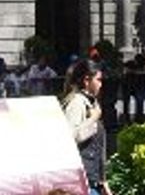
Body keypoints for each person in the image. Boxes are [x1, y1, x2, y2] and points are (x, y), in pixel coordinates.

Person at [60, 59, 112, 195]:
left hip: (91, 181)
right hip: (81, 183)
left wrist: (103, 181)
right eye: (99, 80)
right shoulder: (76, 102)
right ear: (86, 80)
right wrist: (93, 118)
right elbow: (70, 138)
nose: (101, 84)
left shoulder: (90, 102)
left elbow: (98, 147)